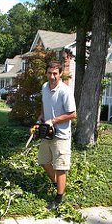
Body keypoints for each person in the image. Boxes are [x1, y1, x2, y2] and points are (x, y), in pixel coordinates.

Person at [37, 60, 77, 210]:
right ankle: (57, 183)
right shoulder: (44, 87)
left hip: (61, 135)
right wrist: (41, 117)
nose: (52, 76)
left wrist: (53, 120)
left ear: (60, 74)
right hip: (47, 133)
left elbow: (73, 114)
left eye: (55, 73)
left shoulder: (65, 91)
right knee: (43, 161)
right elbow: (44, 104)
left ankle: (58, 198)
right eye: (50, 73)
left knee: (60, 167)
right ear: (46, 73)